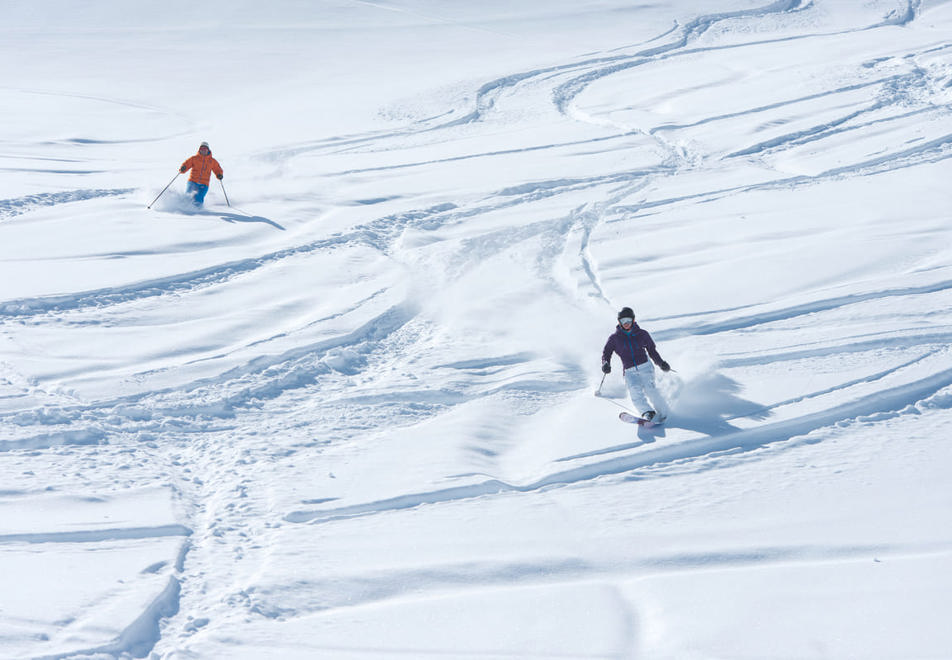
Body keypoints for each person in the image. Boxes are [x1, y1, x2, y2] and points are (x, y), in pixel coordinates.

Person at [601, 306, 671, 422]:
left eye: (628, 320)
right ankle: (648, 413)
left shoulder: (642, 334)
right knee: (635, 391)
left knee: (650, 389)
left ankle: (663, 411)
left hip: (645, 367)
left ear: (633, 320)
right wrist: (606, 363)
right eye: (623, 321)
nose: (626, 323)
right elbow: (606, 352)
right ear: (619, 322)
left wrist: (661, 363)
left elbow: (652, 351)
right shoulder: (614, 338)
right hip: (629, 371)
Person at [179, 141, 223, 207]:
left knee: (199, 197)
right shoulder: (194, 158)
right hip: (192, 181)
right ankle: (183, 207)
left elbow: (217, 169)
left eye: (205, 149)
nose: (203, 151)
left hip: (204, 183)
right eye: (201, 149)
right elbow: (186, 164)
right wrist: (183, 168)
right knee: (188, 194)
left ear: (208, 150)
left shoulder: (212, 161)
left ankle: (197, 210)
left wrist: (219, 174)